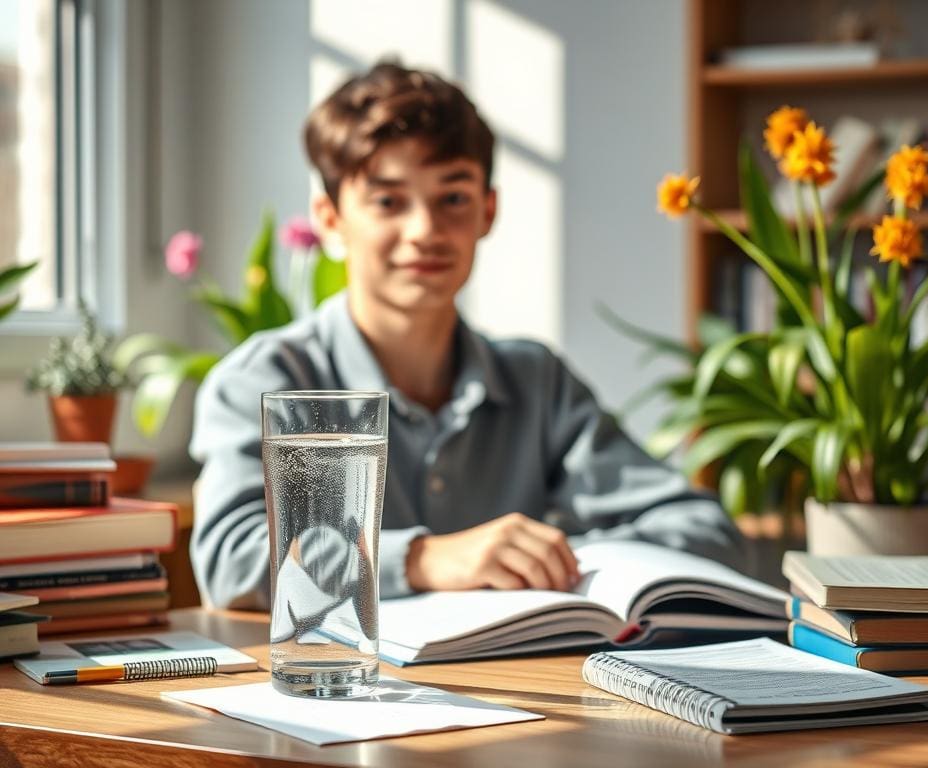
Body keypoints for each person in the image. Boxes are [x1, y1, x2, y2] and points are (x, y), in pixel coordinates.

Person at [189, 62, 747, 610]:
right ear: (330, 219)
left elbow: (704, 530)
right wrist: (425, 560)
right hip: (343, 689)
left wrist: (552, 560)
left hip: (529, 692)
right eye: (387, 201)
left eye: (452, 198)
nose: (425, 231)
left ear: (488, 210)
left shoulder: (537, 381)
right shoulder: (266, 380)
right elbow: (231, 558)